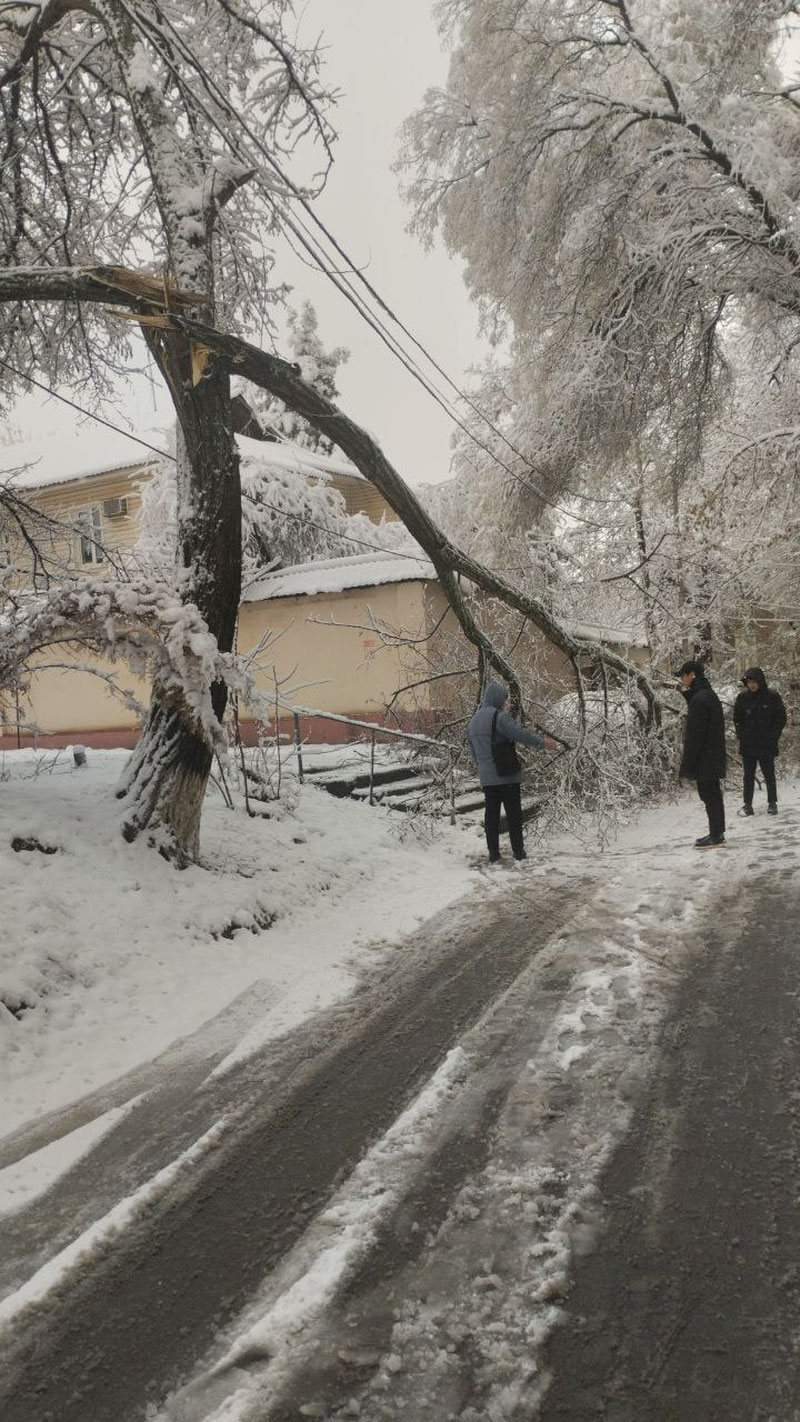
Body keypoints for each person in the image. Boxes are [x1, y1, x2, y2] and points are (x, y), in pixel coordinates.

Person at [467, 681, 558, 863]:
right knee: (514, 816)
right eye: (504, 699)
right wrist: (544, 744)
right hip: (506, 775)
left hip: (487, 779)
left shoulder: (474, 721)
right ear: (498, 698)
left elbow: (473, 753)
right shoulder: (500, 717)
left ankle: (494, 853)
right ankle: (518, 852)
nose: (506, 703)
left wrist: (484, 768)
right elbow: (520, 734)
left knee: (491, 816)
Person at [677, 660, 727, 847]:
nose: (682, 679)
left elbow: (695, 735)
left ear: (692, 675)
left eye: (683, 675)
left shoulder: (700, 699)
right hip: (711, 754)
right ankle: (717, 832)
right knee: (712, 795)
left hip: (706, 756)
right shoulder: (706, 695)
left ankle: (716, 834)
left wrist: (686, 765)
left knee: (710, 795)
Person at [733, 667, 787, 816]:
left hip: (766, 743)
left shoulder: (772, 696)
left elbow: (781, 718)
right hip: (748, 744)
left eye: (754, 681)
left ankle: (772, 803)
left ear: (760, 681)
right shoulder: (742, 698)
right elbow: (737, 718)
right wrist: (742, 734)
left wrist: (773, 736)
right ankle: (748, 805)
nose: (752, 685)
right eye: (749, 682)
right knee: (748, 776)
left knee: (769, 774)